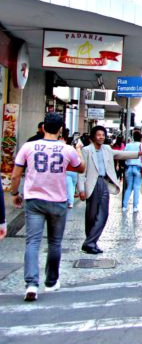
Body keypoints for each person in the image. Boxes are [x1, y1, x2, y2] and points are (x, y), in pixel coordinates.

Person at [9, 112, 85, 302]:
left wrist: (14, 193)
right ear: (60, 130)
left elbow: (15, 174)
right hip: (57, 201)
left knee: (32, 242)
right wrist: (78, 149)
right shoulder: (66, 149)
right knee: (55, 243)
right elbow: (81, 167)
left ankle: (31, 284)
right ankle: (51, 281)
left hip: (34, 200)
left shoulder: (28, 147)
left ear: (43, 128)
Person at [79, 125, 142, 254]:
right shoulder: (87, 150)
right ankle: (91, 242)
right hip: (91, 184)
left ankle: (89, 242)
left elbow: (120, 154)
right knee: (91, 215)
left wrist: (139, 153)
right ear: (93, 136)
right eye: (99, 135)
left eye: (103, 135)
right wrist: (81, 189)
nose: (101, 137)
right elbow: (81, 172)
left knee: (103, 214)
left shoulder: (107, 149)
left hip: (104, 182)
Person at [122, 131, 142, 213]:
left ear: (133, 137)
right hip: (138, 168)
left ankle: (124, 206)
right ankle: (135, 207)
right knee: (136, 187)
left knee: (129, 187)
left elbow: (123, 154)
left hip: (129, 168)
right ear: (140, 138)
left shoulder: (128, 145)